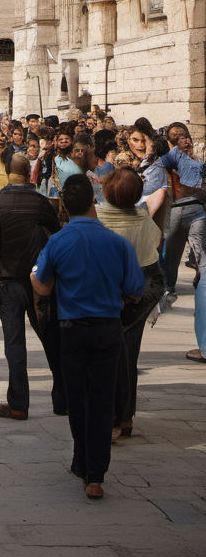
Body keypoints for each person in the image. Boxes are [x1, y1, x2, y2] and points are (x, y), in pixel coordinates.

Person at [32, 174, 145, 500]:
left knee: (78, 399)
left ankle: (83, 463)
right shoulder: (118, 243)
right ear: (94, 201)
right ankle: (94, 474)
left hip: (72, 330)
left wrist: (36, 278)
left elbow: (42, 285)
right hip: (108, 328)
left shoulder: (58, 242)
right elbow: (135, 290)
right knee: (102, 400)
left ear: (65, 207)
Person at [0, 154, 65, 420]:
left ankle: (18, 404)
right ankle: (63, 400)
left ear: (6, 171)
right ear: (30, 173)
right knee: (52, 339)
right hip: (39, 281)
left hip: (9, 280)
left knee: (14, 344)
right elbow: (58, 237)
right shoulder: (42, 202)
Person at [95, 166, 165, 437]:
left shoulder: (98, 217)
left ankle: (116, 418)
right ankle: (124, 417)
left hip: (123, 288)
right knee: (127, 348)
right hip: (147, 284)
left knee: (117, 350)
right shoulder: (143, 218)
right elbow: (155, 245)